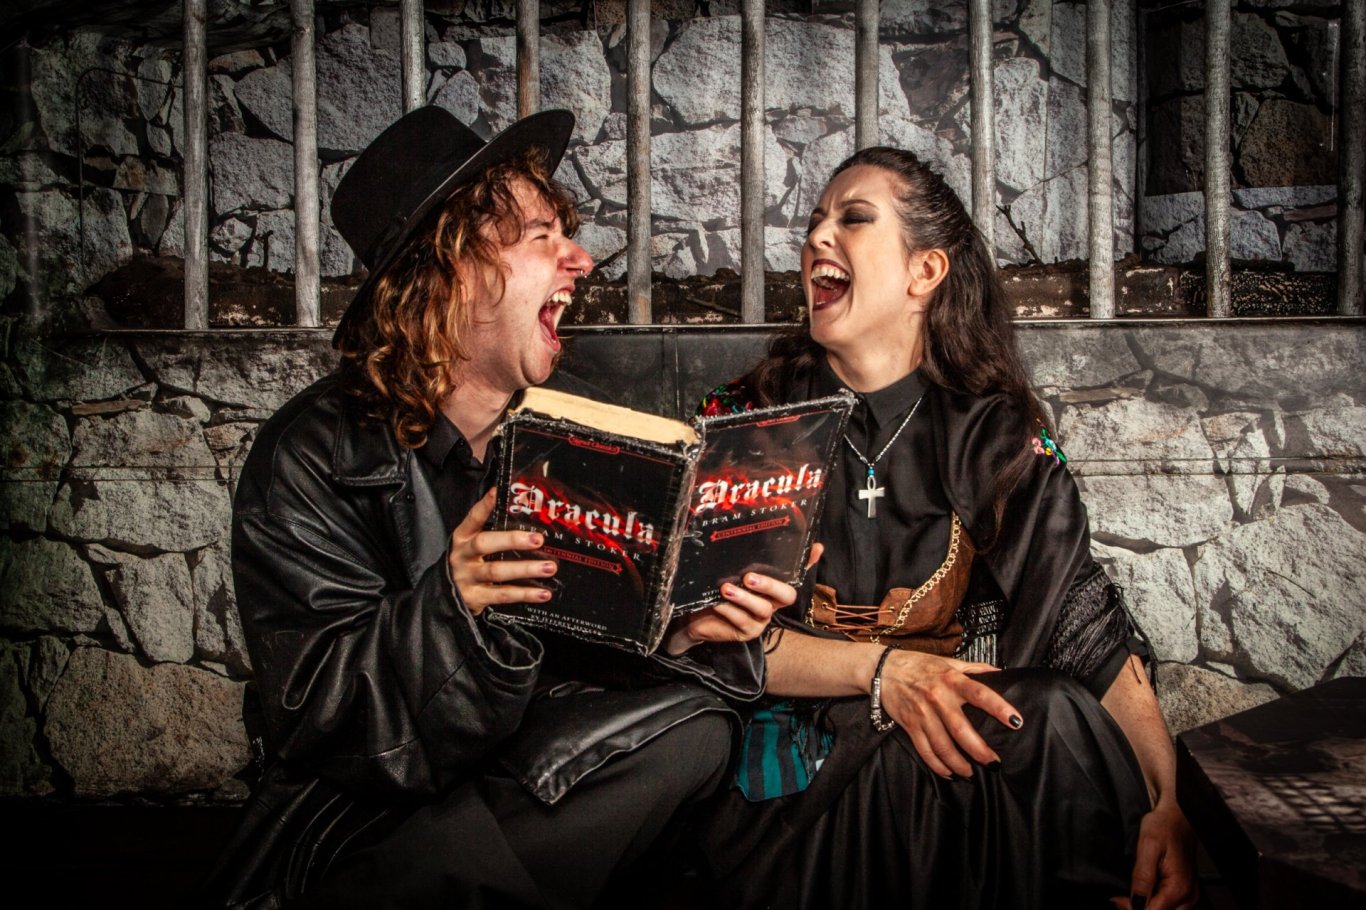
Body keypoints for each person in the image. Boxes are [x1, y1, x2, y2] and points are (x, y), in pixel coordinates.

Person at [200, 106, 799, 910]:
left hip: (536, 791)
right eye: (541, 237)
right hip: (366, 825)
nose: (580, 259)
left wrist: (692, 626)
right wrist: (454, 609)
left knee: (700, 730)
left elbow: (598, 677)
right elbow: (326, 724)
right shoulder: (313, 455)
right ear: (448, 269)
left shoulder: (577, 429)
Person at [695, 147, 1198, 910]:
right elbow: (700, 632)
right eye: (815, 223)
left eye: (853, 220)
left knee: (1049, 719)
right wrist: (886, 674)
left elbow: (1085, 629)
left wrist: (1168, 802)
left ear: (924, 273)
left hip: (941, 766)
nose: (818, 238)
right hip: (789, 791)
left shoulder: (997, 439)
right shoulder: (745, 425)